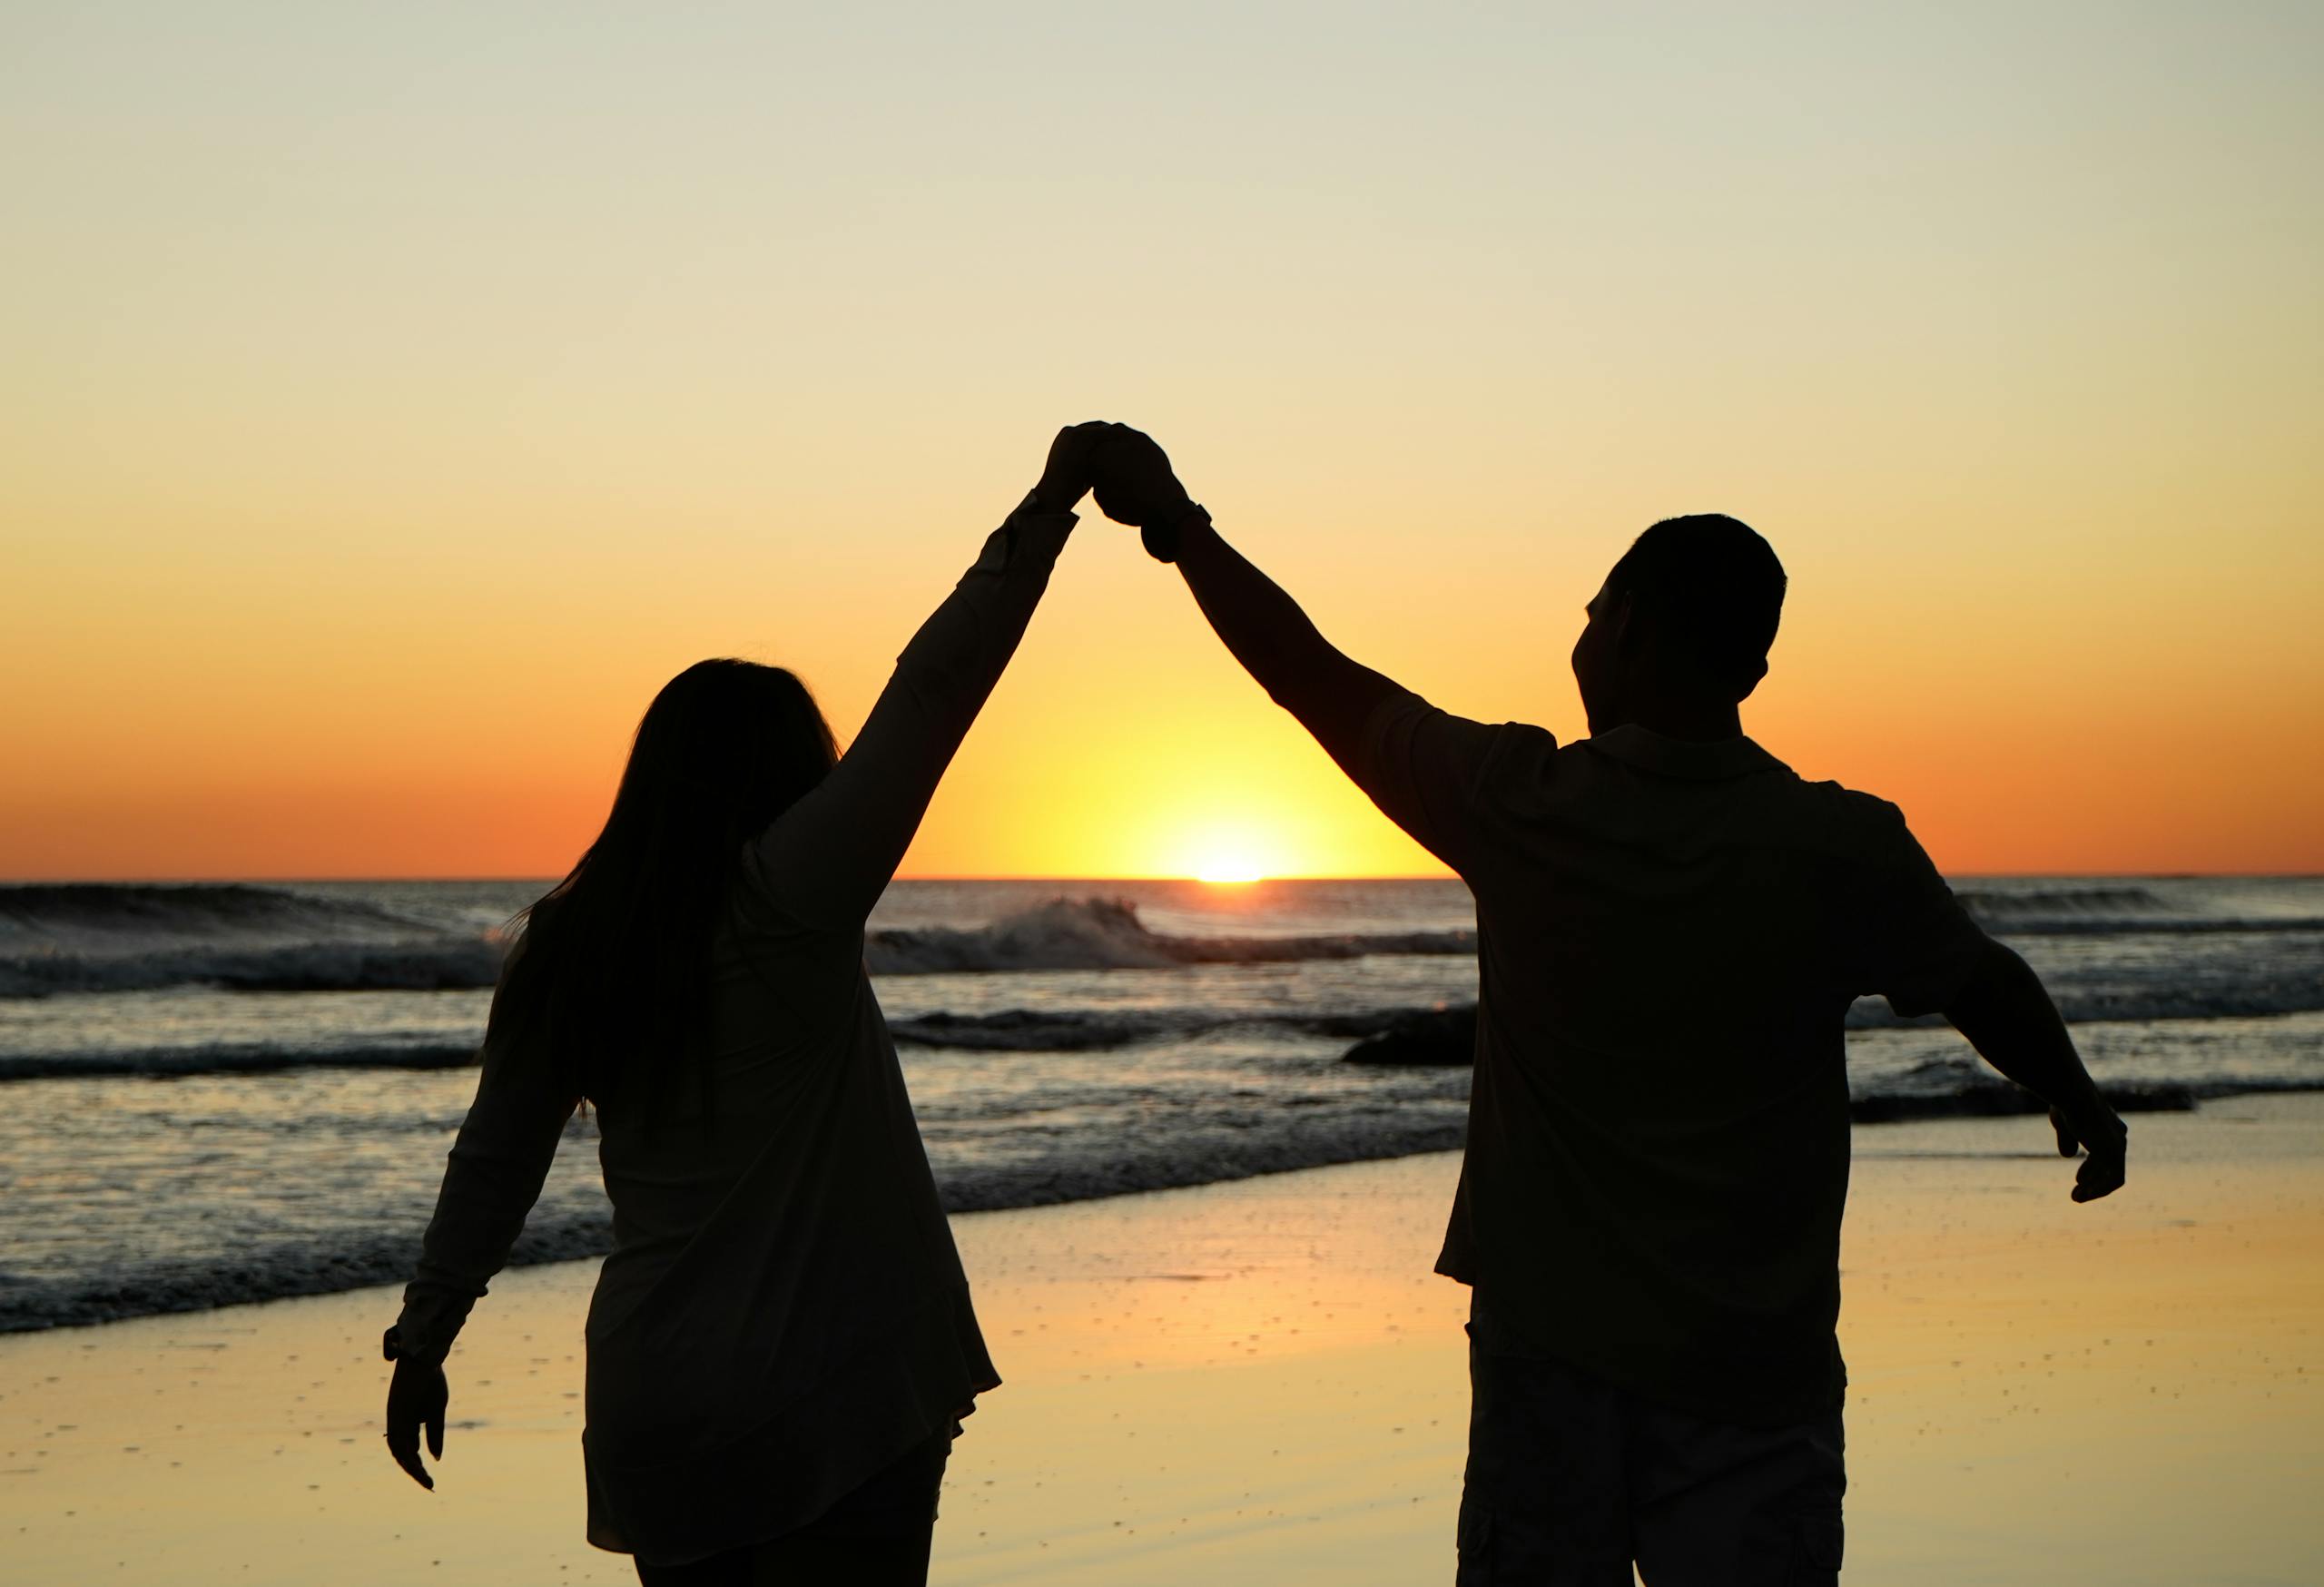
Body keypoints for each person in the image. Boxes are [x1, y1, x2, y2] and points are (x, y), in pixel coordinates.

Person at [1083, 425, 2131, 1585]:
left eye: (1588, 614)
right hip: (1757, 1371)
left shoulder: (1520, 803)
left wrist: (1179, 526)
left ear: (1625, 625)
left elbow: (1313, 677)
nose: (1575, 642)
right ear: (1752, 669)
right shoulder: (1840, 845)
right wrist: (2076, 1095)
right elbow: (1984, 983)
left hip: (1552, 1363)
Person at [381, 423, 1111, 1584]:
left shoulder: (573, 939)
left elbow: (494, 1161)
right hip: (832, 1384)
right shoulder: (789, 898)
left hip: (659, 1398)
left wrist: (424, 1338)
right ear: (789, 776)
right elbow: (932, 693)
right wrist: (1049, 502)